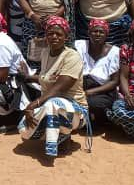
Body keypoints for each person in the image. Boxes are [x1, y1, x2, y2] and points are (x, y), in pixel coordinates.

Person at [18, 16, 90, 157]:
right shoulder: (45, 53)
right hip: (50, 105)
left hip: (76, 110)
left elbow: (60, 87)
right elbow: (45, 78)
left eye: (59, 34)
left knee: (52, 104)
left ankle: (53, 146)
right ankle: (60, 135)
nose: (54, 37)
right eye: (50, 33)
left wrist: (35, 103)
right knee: (23, 129)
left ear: (66, 37)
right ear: (46, 36)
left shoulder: (72, 56)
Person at [74, 18, 119, 127]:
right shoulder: (79, 45)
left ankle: (98, 120)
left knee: (94, 104)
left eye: (101, 32)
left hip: (102, 90)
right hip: (79, 85)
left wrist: (90, 92)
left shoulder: (115, 52)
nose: (98, 34)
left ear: (106, 34)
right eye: (94, 31)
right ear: (88, 32)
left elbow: (114, 82)